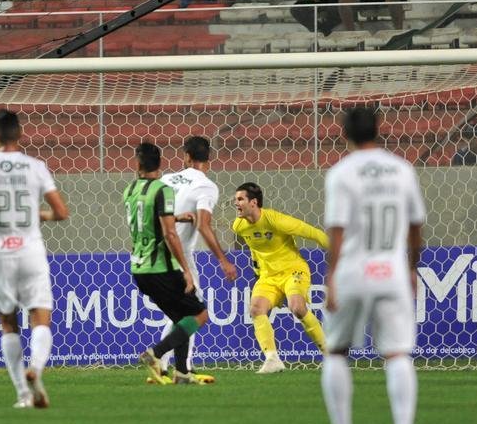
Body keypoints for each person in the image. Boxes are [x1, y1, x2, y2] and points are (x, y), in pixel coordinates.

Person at [320, 106, 426, 424]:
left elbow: (336, 229)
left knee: (336, 351)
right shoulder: (402, 168)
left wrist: (331, 276)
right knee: (397, 353)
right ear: (378, 129)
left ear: (345, 133)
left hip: (352, 271)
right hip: (391, 271)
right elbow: (415, 226)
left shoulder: (341, 173)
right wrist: (412, 268)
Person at [0, 110, 70, 409]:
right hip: (31, 250)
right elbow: (62, 213)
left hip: (0, 251)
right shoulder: (36, 167)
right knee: (40, 316)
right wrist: (41, 215)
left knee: (8, 324)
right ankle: (36, 368)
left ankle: (23, 394)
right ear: (21, 134)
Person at [123, 141, 214, 385]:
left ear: (137, 164)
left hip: (138, 266)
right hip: (160, 267)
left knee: (182, 317)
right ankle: (156, 354)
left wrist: (176, 216)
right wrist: (186, 270)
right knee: (199, 314)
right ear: (161, 164)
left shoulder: (130, 189)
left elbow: (147, 220)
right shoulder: (163, 190)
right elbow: (169, 234)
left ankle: (182, 373)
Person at [231, 182, 328, 375]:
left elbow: (314, 233)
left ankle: (330, 354)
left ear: (254, 202)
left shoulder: (276, 220)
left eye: (240, 199)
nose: (236, 203)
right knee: (256, 309)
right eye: (236, 199)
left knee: (297, 308)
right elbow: (254, 246)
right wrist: (256, 265)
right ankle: (272, 359)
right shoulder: (238, 226)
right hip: (268, 277)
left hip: (293, 270)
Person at [160, 135, 238, 375]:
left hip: (156, 253)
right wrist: (224, 260)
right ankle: (169, 362)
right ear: (209, 159)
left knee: (179, 314)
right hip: (181, 256)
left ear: (186, 156)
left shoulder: (165, 179)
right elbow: (204, 225)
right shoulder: (205, 186)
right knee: (194, 313)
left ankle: (168, 368)